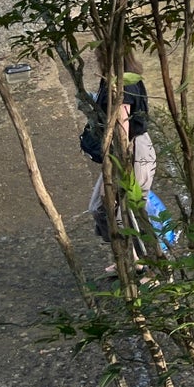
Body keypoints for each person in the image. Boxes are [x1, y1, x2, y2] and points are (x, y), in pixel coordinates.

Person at [83, 53, 156, 264]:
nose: (96, 56)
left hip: (132, 150)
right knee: (101, 207)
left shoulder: (122, 84)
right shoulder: (117, 79)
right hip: (132, 147)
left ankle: (153, 268)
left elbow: (122, 125)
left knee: (127, 208)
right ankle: (128, 260)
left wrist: (119, 161)